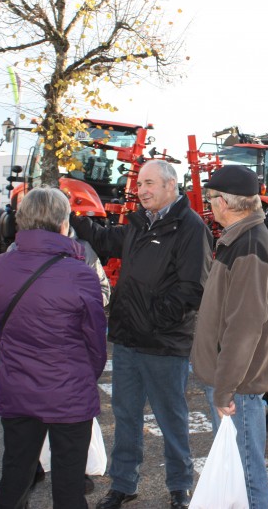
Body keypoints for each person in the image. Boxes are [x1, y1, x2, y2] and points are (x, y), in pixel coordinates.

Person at [71, 159, 212, 509]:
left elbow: (192, 288)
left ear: (170, 185)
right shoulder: (139, 223)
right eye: (140, 184)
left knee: (171, 418)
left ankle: (180, 486)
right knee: (126, 416)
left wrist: (152, 320)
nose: (142, 190)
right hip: (129, 340)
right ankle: (123, 484)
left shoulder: (190, 227)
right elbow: (105, 239)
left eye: (149, 183)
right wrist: (73, 218)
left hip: (164, 343)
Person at [0, 186, 108, 509]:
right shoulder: (79, 273)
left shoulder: (0, 265)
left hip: (18, 385)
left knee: (15, 473)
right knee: (69, 485)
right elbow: (96, 342)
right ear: (63, 223)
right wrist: (84, 375)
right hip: (69, 389)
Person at [191, 165, 268, 509]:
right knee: (238, 474)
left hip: (237, 388)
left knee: (245, 476)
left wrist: (225, 388)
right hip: (234, 384)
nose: (209, 205)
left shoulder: (249, 246)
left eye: (211, 198)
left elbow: (243, 329)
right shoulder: (241, 240)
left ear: (225, 202)